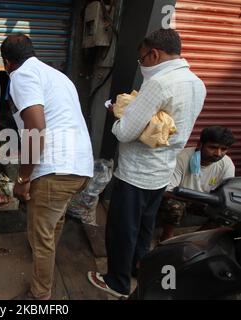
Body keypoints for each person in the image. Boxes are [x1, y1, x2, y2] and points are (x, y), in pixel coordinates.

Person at [87, 28, 207, 299]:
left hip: (136, 174)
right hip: (162, 172)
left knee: (122, 230)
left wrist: (116, 117)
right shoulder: (197, 83)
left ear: (155, 53)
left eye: (142, 59)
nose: (141, 65)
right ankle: (139, 270)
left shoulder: (159, 83)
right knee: (144, 228)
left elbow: (127, 131)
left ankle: (117, 282)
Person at [1, 33, 94, 300]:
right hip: (80, 166)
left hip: (54, 167)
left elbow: (36, 129)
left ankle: (40, 295)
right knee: (55, 219)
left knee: (41, 238)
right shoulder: (57, 76)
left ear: (8, 63)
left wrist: (23, 178)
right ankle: (46, 265)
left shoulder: (21, 75)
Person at [159, 126, 236, 241]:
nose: (218, 153)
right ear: (200, 144)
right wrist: (199, 200)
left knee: (228, 213)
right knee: (172, 205)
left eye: (223, 149)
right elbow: (166, 191)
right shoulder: (182, 157)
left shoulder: (226, 163)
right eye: (213, 147)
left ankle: (190, 240)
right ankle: (166, 238)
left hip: (206, 203)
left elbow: (227, 195)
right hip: (182, 200)